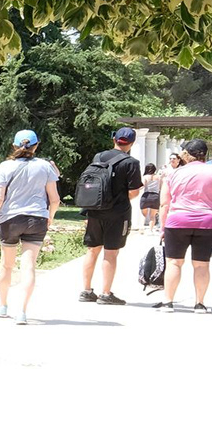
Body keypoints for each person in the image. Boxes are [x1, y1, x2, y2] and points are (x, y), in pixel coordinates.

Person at [0, 129, 61, 325]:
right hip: (37, 219)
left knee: (6, 264)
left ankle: (3, 306)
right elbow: (55, 199)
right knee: (28, 266)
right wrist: (50, 217)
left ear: (14, 146)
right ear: (36, 146)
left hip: (10, 219)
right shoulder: (45, 166)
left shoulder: (5, 166)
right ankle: (22, 312)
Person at [154, 138, 212, 313]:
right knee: (201, 264)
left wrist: (163, 227)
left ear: (186, 154)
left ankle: (168, 302)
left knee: (174, 263)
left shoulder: (173, 174)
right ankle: (199, 303)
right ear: (205, 154)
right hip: (207, 222)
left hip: (177, 221)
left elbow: (164, 203)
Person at [77, 126, 144, 305]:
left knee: (92, 250)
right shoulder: (131, 163)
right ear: (132, 143)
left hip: (94, 210)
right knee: (111, 253)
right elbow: (134, 191)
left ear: (114, 139)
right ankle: (105, 294)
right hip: (118, 213)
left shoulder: (98, 157)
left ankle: (86, 291)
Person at [138, 163, 161, 230]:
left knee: (144, 214)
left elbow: (142, 185)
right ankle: (151, 230)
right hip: (155, 196)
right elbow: (160, 187)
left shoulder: (145, 177)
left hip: (146, 196)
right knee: (152, 216)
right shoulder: (158, 177)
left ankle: (142, 228)